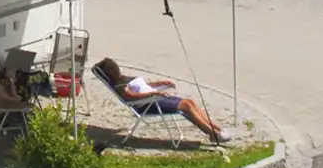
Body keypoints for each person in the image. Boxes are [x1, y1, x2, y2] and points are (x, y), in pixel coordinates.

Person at [92, 58, 228, 144]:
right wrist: (154, 94)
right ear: (110, 72)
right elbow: (130, 97)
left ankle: (216, 129)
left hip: (155, 98)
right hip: (148, 103)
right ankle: (213, 135)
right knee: (186, 105)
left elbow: (144, 86)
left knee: (189, 102)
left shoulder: (124, 78)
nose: (116, 68)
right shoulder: (118, 84)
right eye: (113, 68)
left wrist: (159, 83)